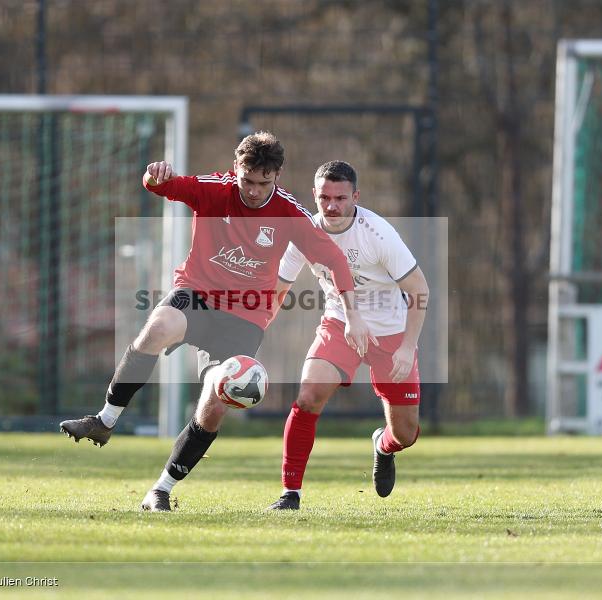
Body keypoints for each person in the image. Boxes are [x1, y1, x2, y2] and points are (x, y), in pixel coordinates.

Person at [60, 132, 372, 512]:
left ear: (277, 176)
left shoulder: (289, 213)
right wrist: (154, 175)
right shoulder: (213, 190)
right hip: (196, 293)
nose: (253, 191)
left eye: (263, 183)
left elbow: (335, 260)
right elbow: (161, 186)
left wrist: (352, 315)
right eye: (247, 180)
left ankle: (160, 491)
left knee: (215, 405)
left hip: (244, 317)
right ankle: (105, 420)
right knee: (158, 328)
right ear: (235, 168)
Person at [267, 160, 429, 510]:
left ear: (355, 197)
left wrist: (407, 347)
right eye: (324, 198)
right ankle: (290, 493)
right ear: (314, 195)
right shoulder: (304, 233)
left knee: (406, 434)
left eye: (340, 198)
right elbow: (278, 290)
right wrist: (252, 332)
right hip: (339, 325)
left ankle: (382, 446)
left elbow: (419, 289)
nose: (332, 206)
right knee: (308, 396)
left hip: (390, 334)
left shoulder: (378, 233)